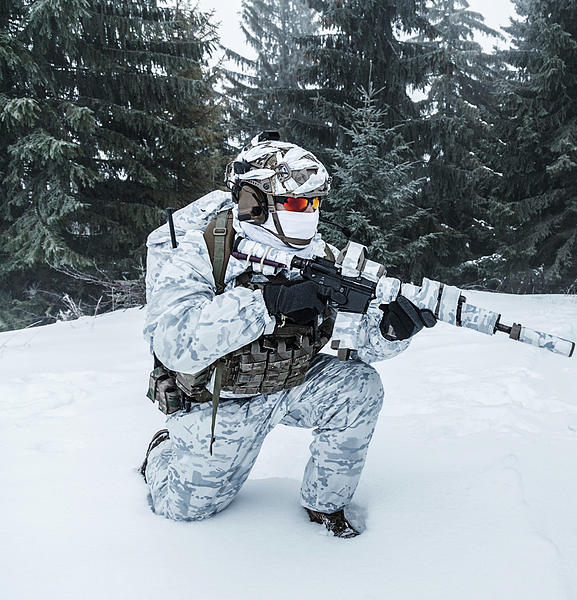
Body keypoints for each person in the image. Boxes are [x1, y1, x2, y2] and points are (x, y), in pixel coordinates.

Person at [139, 132, 433, 538]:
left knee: (359, 388)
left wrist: (391, 330)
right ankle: (162, 451)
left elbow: (360, 342)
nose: (308, 212)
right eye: (296, 202)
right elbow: (173, 343)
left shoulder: (320, 255)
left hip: (292, 382)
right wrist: (266, 303)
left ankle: (324, 505)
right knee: (184, 511)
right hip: (222, 401)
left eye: (314, 202)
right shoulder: (203, 252)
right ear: (255, 203)